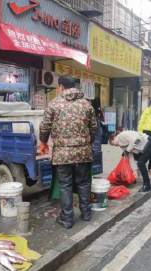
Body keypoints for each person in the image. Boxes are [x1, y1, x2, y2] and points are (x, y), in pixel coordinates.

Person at [39, 75, 98, 229]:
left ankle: (67, 219)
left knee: (65, 185)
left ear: (61, 87)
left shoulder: (54, 104)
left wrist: (43, 142)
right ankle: (86, 213)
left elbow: (45, 126)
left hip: (62, 153)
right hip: (83, 151)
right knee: (84, 182)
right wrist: (90, 141)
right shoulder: (86, 104)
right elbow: (94, 127)